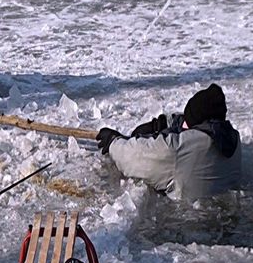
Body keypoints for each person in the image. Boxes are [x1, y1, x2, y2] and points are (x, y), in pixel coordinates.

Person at [95, 83, 242, 200]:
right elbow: (190, 127)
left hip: (186, 227)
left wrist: (114, 142)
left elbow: (134, 157)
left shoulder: (178, 149)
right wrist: (164, 124)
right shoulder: (233, 139)